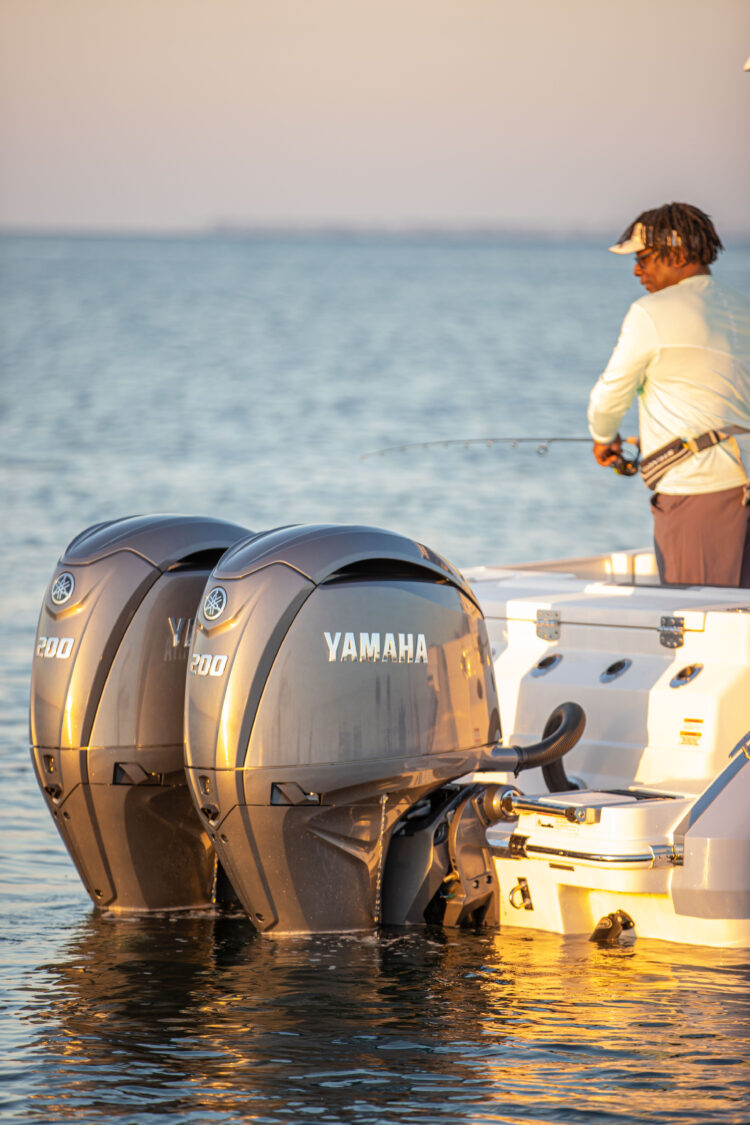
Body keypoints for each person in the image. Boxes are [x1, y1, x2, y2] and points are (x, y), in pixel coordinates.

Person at [587, 202, 750, 586]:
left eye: (644, 258)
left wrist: (603, 437)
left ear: (676, 254)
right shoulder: (741, 307)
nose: (637, 270)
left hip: (699, 492)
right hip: (741, 483)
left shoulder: (650, 312)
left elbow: (610, 394)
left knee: (697, 612)